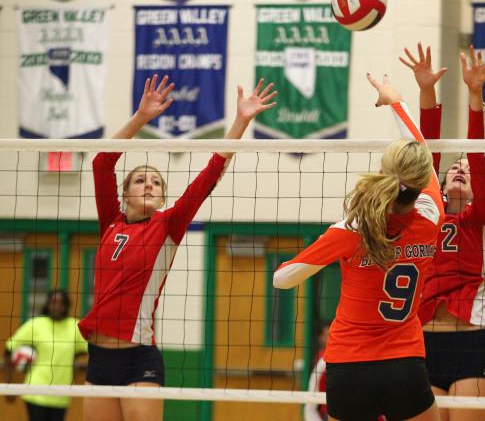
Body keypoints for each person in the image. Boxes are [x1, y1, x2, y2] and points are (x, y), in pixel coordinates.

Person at [78, 74, 277, 421]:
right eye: (141, 180)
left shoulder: (168, 225)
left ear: (163, 195)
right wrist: (141, 118)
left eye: (156, 182)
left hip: (138, 359)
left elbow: (211, 173)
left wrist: (240, 121)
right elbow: (101, 163)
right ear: (126, 194)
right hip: (98, 357)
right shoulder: (110, 221)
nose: (149, 185)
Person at [274, 71, 444, 421]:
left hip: (349, 364)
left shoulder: (353, 229)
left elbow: (282, 279)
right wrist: (396, 100)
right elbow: (420, 150)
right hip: (404, 361)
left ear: (382, 172)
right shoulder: (431, 213)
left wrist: (337, 237)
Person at [400, 43, 485, 421]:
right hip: (422, 342)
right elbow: (427, 155)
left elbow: (476, 156)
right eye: (452, 169)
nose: (459, 170)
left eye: (467, 171)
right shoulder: (429, 213)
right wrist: (427, 92)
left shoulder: (484, 217)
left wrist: (475, 97)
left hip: (471, 342)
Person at [5, 290, 88, 421]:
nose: (57, 306)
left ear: (67, 306)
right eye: (53, 302)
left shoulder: (74, 327)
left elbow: (88, 349)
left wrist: (74, 359)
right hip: (36, 390)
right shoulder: (35, 324)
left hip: (61, 393)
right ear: (47, 304)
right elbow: (9, 349)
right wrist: (9, 384)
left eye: (61, 303)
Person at [304, 321, 330, 421]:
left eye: (333, 335)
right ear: (320, 338)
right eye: (327, 335)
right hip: (325, 411)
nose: (331, 338)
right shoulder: (320, 357)